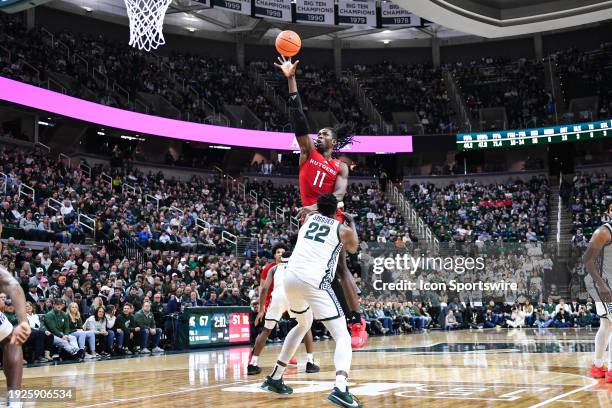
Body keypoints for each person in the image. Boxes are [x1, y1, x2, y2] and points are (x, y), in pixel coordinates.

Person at [275, 56, 363, 344]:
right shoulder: (306, 154)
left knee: (340, 267)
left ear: (333, 143)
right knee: (305, 270)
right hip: (310, 220)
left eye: (324, 134)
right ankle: (306, 317)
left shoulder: (340, 166)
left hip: (329, 215)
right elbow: (298, 118)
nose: (319, 135)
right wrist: (291, 80)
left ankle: (357, 321)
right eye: (318, 133)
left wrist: (313, 207)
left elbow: (338, 196)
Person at [261, 193, 361, 408]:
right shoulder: (342, 230)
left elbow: (316, 209)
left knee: (303, 324)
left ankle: (276, 376)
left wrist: (315, 208)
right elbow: (354, 247)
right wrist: (351, 222)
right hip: (314, 281)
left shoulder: (308, 219)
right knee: (342, 335)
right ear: (336, 212)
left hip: (290, 279)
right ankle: (341, 388)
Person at [247, 243, 318, 375]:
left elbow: (264, 290)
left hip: (277, 297)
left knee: (266, 330)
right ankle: (310, 362)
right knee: (305, 326)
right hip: (293, 295)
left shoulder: (273, 269)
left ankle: (253, 363)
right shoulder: (298, 267)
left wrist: (261, 310)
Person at [584, 205, 612, 381]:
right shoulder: (604, 231)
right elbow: (587, 259)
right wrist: (601, 284)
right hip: (606, 286)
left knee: (606, 325)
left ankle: (598, 366)